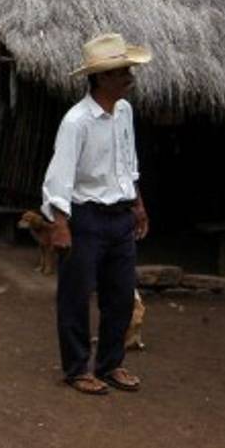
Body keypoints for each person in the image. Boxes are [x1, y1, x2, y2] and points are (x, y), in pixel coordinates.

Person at [41, 33, 152, 396]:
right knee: (75, 296)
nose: (129, 77)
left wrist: (137, 204)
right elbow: (59, 177)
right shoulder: (77, 121)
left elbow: (128, 164)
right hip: (85, 218)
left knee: (119, 297)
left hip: (119, 217)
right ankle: (76, 369)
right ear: (101, 77)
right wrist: (60, 225)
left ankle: (110, 364)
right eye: (121, 71)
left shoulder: (124, 112)